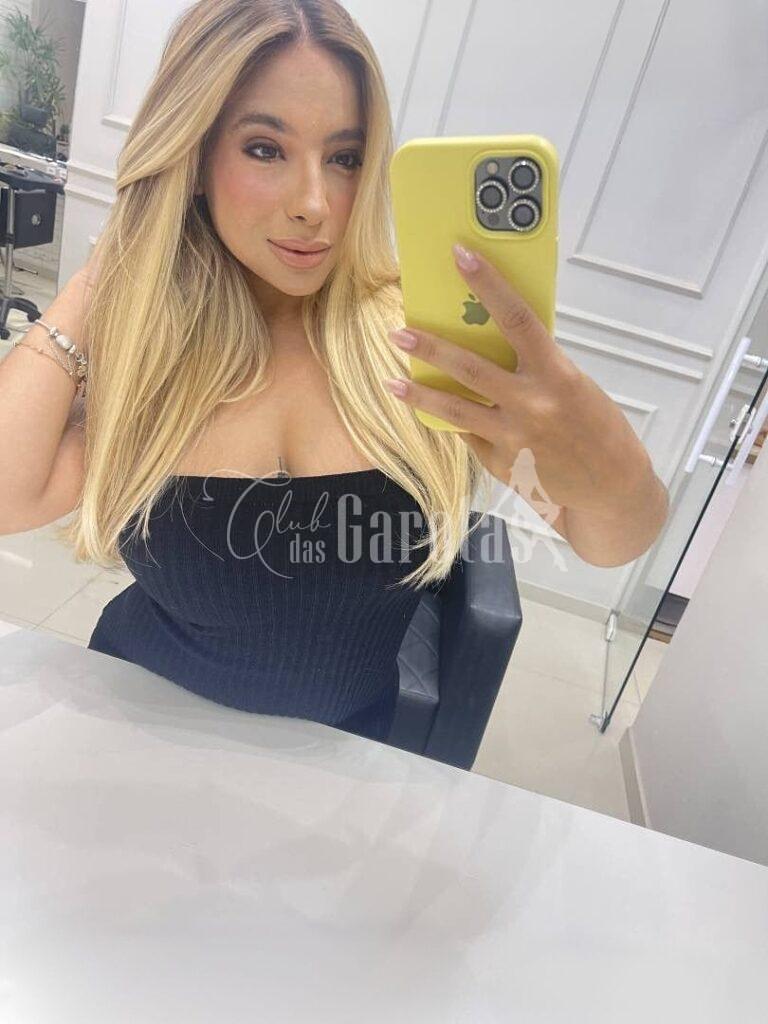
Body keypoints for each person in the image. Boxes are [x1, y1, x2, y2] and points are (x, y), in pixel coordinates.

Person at [0, 0, 490, 744]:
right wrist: (111, 265)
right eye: (265, 149)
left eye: (345, 157)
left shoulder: (417, 335)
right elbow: (9, 496)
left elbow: (606, 529)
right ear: (193, 158)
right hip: (134, 724)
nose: (315, 205)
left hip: (334, 756)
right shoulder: (159, 342)